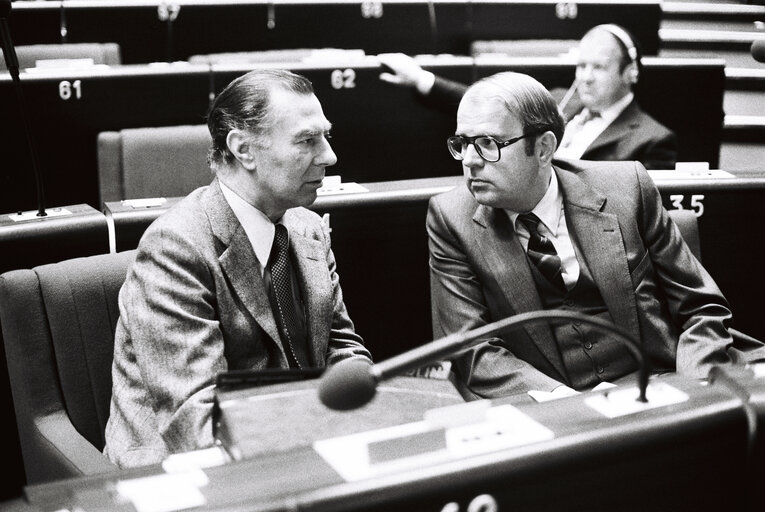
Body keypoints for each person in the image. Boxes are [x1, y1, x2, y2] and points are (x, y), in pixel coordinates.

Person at [427, 71, 757, 401]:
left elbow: (701, 307)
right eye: (462, 144)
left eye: (488, 144)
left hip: (659, 380)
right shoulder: (452, 218)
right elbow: (471, 348)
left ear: (544, 148)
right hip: (553, 403)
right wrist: (566, 403)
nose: (469, 161)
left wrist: (692, 391)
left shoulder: (626, 187)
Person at [103, 69, 372, 467]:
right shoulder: (175, 247)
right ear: (243, 149)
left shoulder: (307, 226)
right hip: (182, 466)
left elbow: (342, 349)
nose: (329, 156)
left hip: (299, 441)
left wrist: (368, 411)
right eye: (306, 140)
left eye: (326, 136)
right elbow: (196, 419)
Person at [378, 24, 678, 170]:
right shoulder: (560, 99)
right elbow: (495, 106)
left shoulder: (653, 140)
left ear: (630, 73)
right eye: (581, 65)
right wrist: (421, 80)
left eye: (598, 67)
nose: (584, 77)